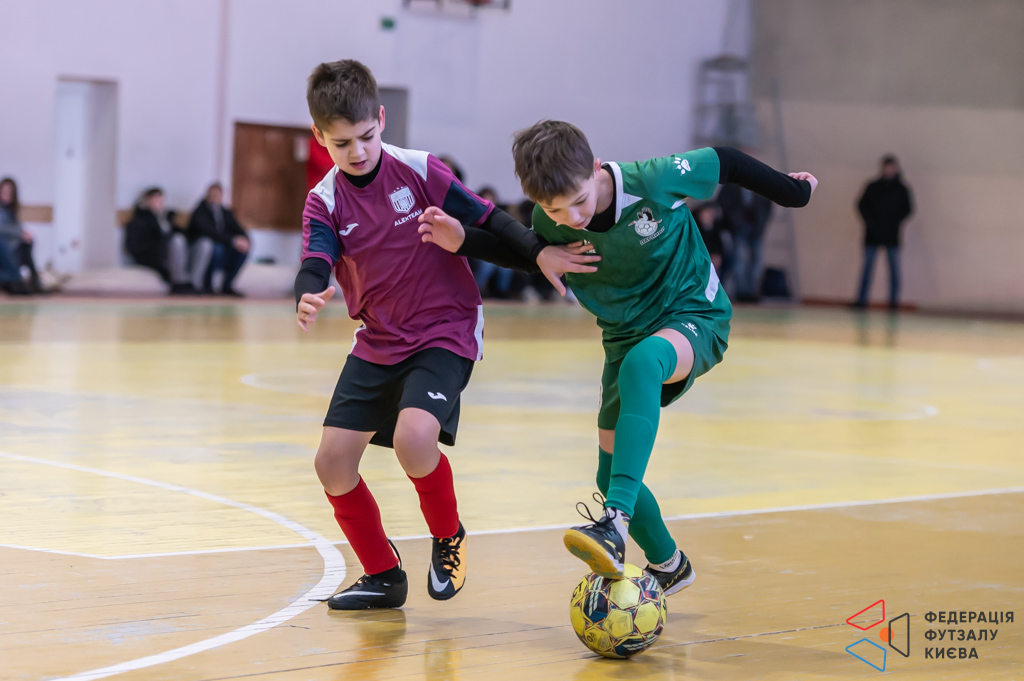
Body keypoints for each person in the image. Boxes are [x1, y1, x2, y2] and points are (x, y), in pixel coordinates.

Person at [418, 120, 815, 594]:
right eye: (555, 210)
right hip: (623, 338)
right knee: (610, 473)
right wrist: (463, 240)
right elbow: (537, 258)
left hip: (693, 315)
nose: (571, 218)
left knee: (644, 364)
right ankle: (670, 565)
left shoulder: (653, 180)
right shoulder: (550, 222)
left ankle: (614, 523)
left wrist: (792, 192)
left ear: (595, 168)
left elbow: (726, 161)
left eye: (579, 201)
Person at [293, 61, 598, 611]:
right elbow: (317, 255)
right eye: (341, 143)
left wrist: (539, 253)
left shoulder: (419, 169)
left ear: (381, 119)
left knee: (414, 439)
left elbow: (489, 219)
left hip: (445, 326)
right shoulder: (325, 199)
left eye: (366, 136)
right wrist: (308, 290)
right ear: (319, 136)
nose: (357, 151)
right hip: (379, 337)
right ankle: (383, 575)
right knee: (331, 463)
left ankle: (448, 534)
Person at [854, 155, 913, 310]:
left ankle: (893, 303)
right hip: (873, 234)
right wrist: (870, 222)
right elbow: (861, 205)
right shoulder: (873, 187)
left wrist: (895, 222)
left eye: (892, 167)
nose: (889, 170)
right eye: (887, 167)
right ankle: (861, 301)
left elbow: (908, 209)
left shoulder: (901, 189)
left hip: (891, 235)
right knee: (867, 270)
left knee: (894, 271)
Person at [124, 187, 193, 294]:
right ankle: (179, 282)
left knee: (191, 242)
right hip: (153, 258)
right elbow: (132, 247)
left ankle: (190, 282)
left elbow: (183, 234)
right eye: (156, 200)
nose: (160, 203)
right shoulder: (139, 221)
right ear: (147, 201)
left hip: (170, 257)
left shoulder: (165, 219)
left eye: (161, 200)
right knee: (177, 240)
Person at [187, 182, 250, 296]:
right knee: (216, 248)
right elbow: (210, 232)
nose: (215, 198)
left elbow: (238, 228)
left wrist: (244, 239)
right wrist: (232, 241)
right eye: (213, 195)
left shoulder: (225, 212)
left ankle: (227, 285)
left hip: (225, 247)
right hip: (205, 248)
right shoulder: (200, 211)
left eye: (218, 195)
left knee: (241, 250)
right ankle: (207, 285)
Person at [718, 181, 772, 302]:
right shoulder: (731, 185)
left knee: (757, 261)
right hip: (737, 228)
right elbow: (723, 202)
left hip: (757, 228)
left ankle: (753, 292)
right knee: (739, 260)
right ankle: (742, 292)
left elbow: (767, 206)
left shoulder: (761, 184)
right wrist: (733, 220)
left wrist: (762, 223)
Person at [0, 177, 36, 295]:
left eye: (10, 192)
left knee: (27, 242)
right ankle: (16, 279)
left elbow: (17, 228)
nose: (7, 195)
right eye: (4, 191)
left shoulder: (12, 211)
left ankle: (34, 279)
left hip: (11, 249)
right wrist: (20, 234)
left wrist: (24, 234)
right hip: (3, 249)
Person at [692, 202, 725, 272]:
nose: (707, 216)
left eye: (710, 214)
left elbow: (719, 245)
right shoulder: (695, 229)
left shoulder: (716, 228)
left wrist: (716, 255)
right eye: (705, 213)